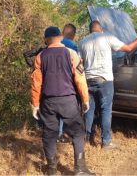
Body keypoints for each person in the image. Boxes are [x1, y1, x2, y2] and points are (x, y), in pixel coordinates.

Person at [78, 20, 137, 149]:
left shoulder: (83, 41)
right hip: (105, 80)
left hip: (88, 79)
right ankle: (106, 142)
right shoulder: (107, 37)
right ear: (100, 29)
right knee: (106, 110)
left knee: (89, 110)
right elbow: (128, 48)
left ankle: (85, 139)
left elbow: (79, 63)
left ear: (90, 30)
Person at [31, 26, 95, 175]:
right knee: (78, 133)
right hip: (68, 101)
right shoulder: (71, 53)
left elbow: (36, 82)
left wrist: (35, 104)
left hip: (48, 103)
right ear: (61, 37)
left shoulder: (40, 56)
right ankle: (80, 169)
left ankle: (52, 170)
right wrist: (85, 99)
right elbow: (80, 79)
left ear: (46, 40)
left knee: (49, 135)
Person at [24, 23, 78, 143]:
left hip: (47, 84)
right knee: (66, 113)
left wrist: (33, 67)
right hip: (66, 86)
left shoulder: (43, 51)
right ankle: (61, 134)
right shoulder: (71, 48)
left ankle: (49, 134)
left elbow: (26, 54)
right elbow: (76, 68)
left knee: (49, 111)